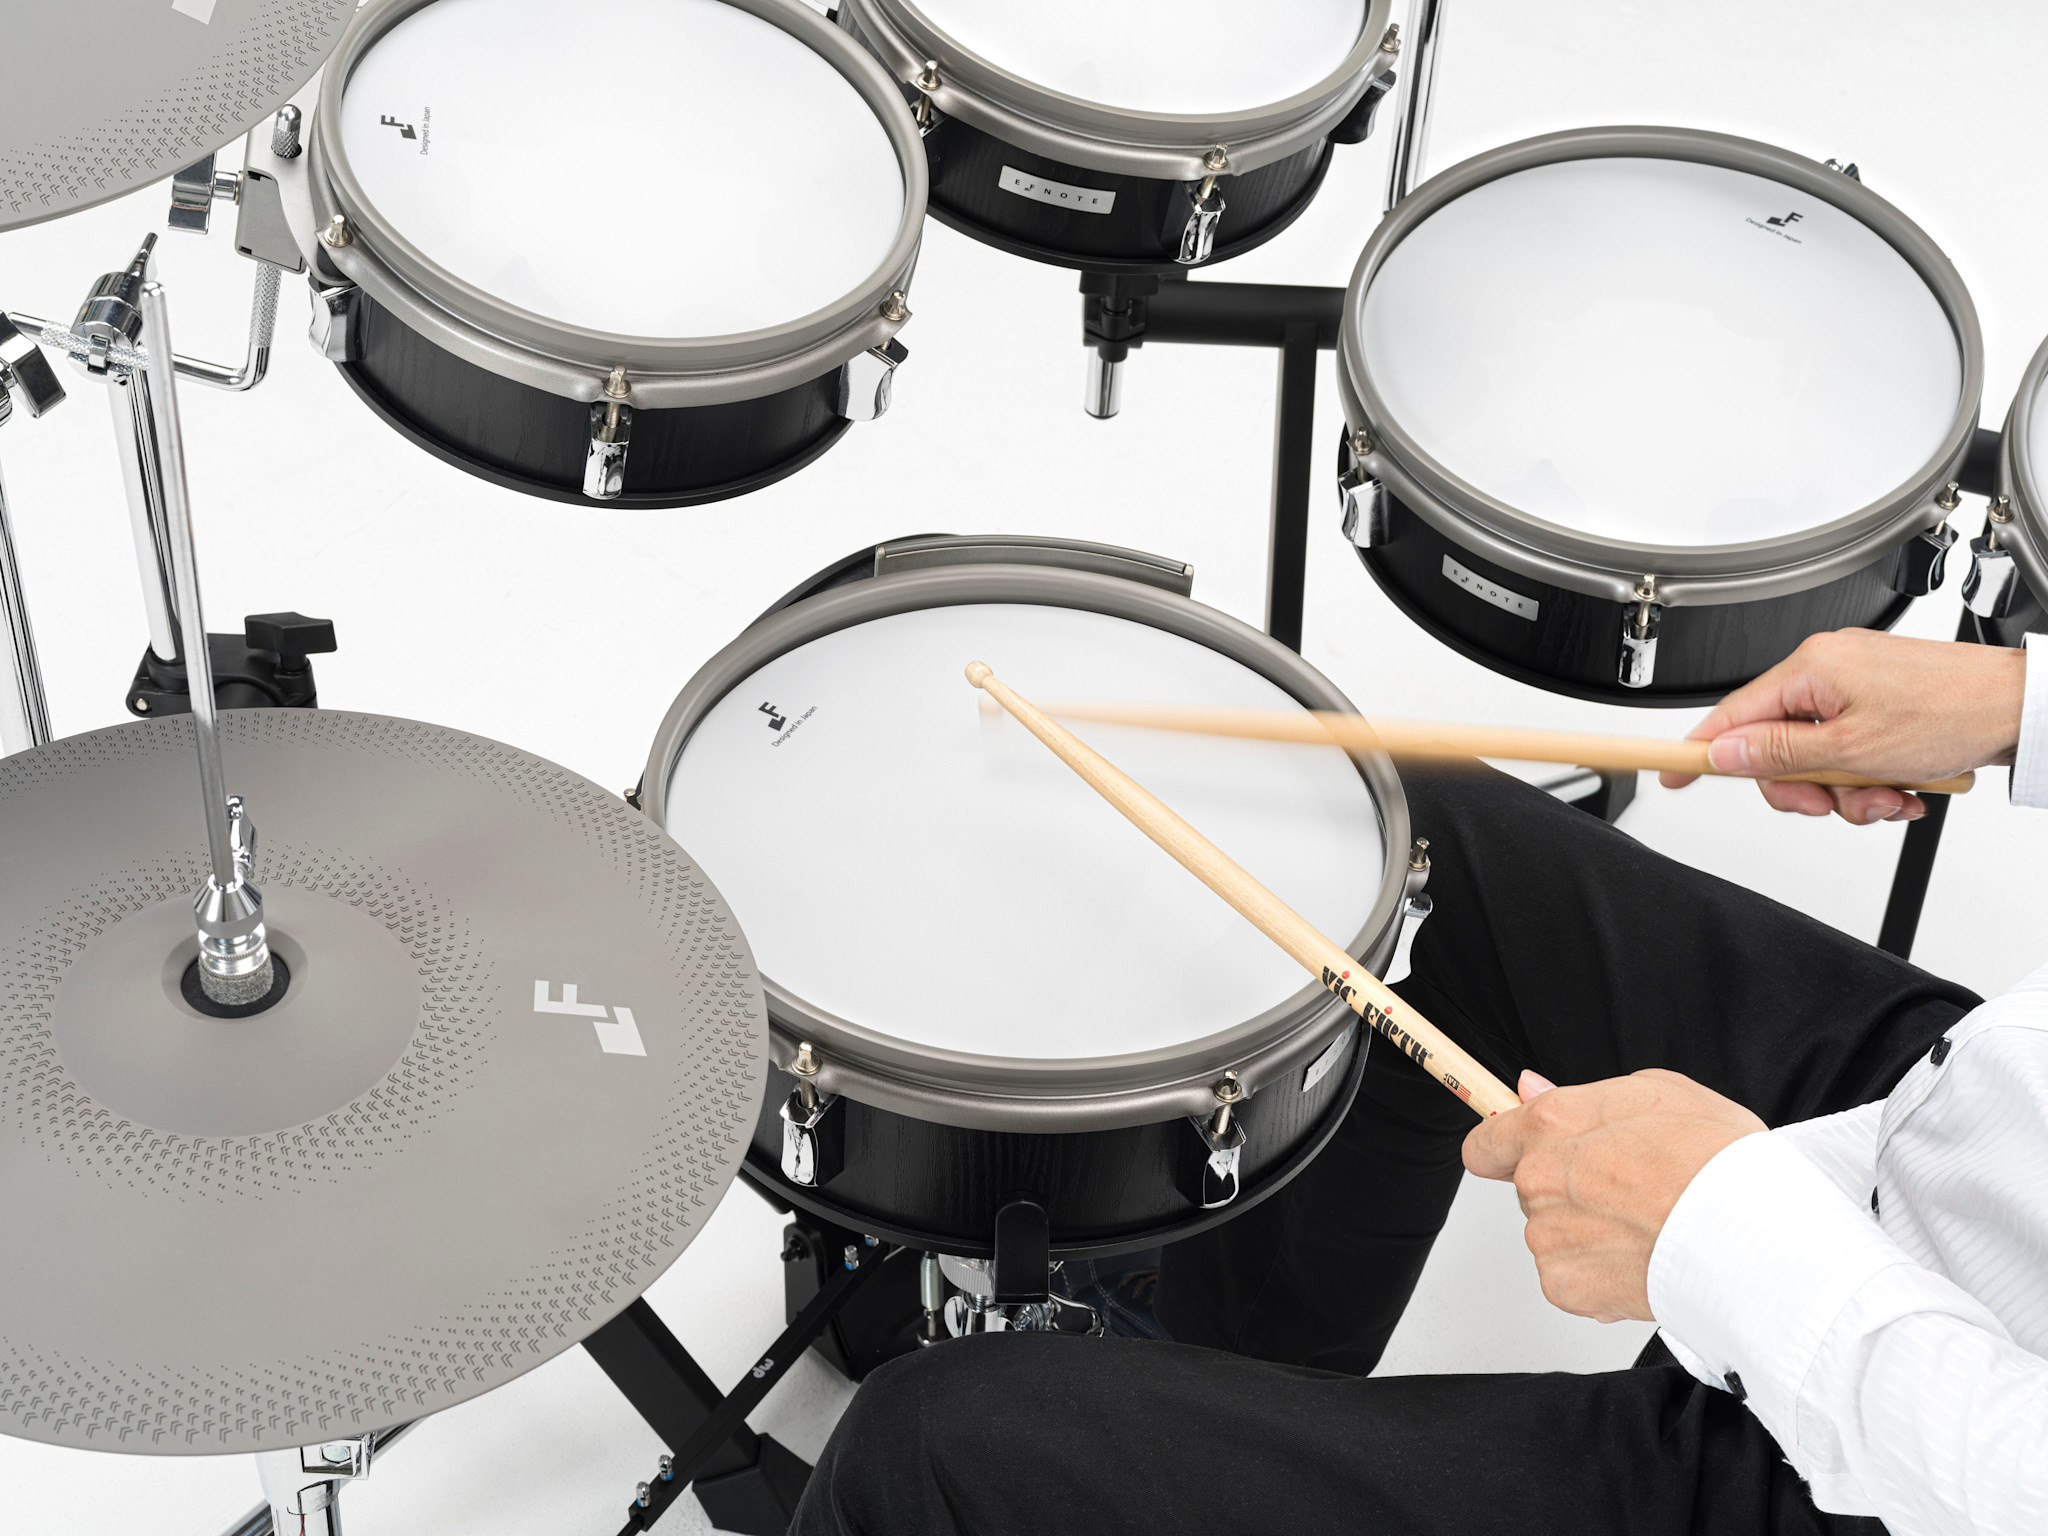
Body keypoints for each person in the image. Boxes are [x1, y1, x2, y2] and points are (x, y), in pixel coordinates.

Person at [790, 629, 2048, 1536]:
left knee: (919, 1454)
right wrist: (2018, 700)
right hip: (1971, 1129)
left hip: (1920, 1480)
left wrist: (1724, 1233)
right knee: (1394, 852)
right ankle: (1196, 1375)